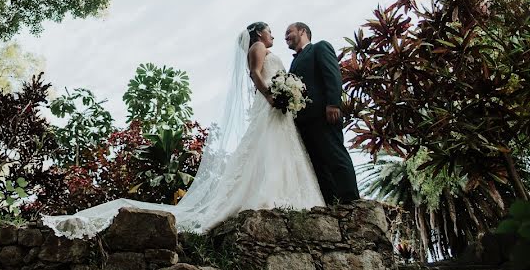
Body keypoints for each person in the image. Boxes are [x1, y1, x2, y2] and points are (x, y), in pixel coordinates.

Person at [41, 22, 324, 239]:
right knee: (269, 150)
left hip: (275, 111)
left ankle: (284, 195)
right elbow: (255, 76)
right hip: (270, 107)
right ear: (259, 33)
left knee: (275, 151)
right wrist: (272, 97)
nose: (274, 36)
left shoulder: (265, 49)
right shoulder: (259, 48)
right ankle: (271, 195)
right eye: (271, 31)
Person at [285, 22, 360, 204]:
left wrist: (333, 104)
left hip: (324, 115)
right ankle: (331, 202)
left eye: (289, 32)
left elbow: (332, 75)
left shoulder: (320, 47)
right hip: (303, 122)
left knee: (335, 155)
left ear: (302, 31)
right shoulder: (293, 62)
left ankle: (351, 199)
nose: (286, 36)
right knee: (317, 165)